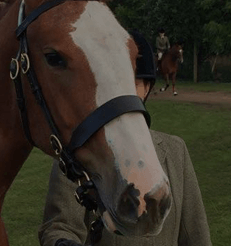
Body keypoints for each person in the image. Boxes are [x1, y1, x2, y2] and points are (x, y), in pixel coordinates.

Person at [38, 32, 212, 246]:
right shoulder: (76, 154)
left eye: (133, 83)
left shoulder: (176, 151)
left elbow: (196, 234)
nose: (122, 96)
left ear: (147, 88)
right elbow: (59, 227)